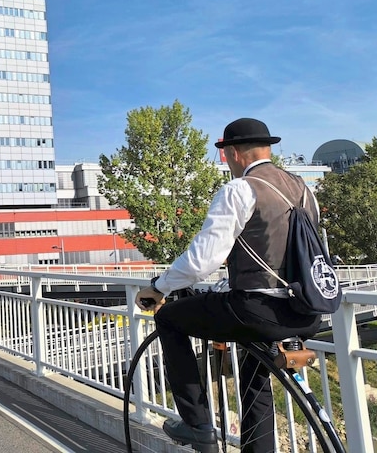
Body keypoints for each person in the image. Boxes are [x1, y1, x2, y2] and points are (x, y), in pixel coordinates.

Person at [135, 118, 323, 453]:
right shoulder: (304, 190)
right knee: (255, 376)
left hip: (258, 311)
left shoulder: (240, 190)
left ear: (233, 154)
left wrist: (159, 288)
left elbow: (201, 260)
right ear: (267, 148)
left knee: (169, 318)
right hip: (306, 312)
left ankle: (198, 425)